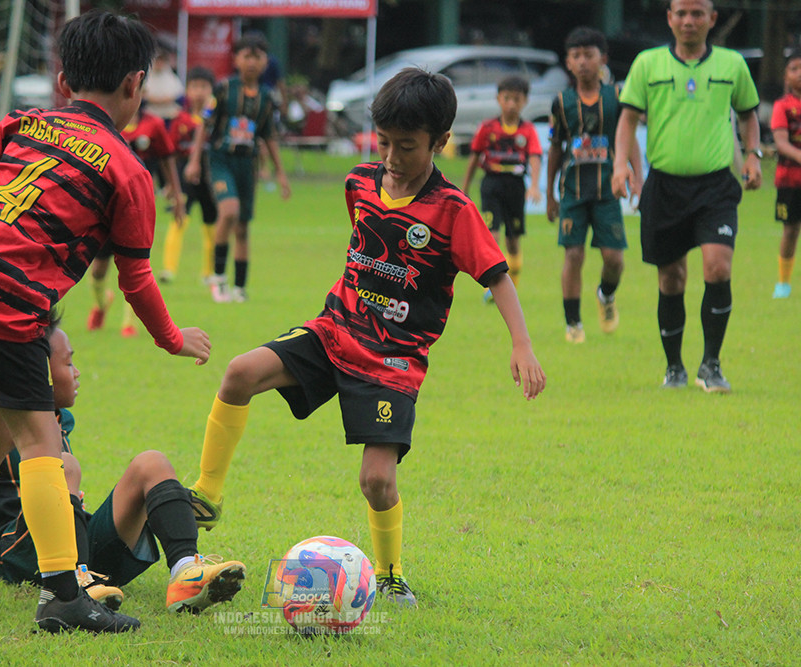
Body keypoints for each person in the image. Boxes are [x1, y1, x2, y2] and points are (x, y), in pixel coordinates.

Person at [0, 10, 211, 634]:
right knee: (40, 442)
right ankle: (65, 597)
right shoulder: (127, 168)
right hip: (6, 301)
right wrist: (172, 339)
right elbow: (136, 277)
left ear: (64, 81)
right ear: (134, 84)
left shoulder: (23, 124)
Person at [185, 67, 546, 608]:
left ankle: (391, 574)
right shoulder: (358, 182)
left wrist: (522, 344)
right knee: (239, 372)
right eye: (384, 143)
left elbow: (497, 275)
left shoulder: (453, 212)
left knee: (376, 480)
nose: (393, 157)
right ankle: (207, 496)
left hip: (393, 360)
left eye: (407, 146)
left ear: (440, 142)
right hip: (335, 329)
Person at [0, 314, 245, 614]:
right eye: (67, 364)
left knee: (151, 463)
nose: (77, 372)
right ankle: (74, 580)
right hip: (21, 552)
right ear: (37, 374)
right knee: (63, 465)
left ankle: (185, 572)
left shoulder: (60, 420)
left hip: (71, 536)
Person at [612, 0, 762, 392]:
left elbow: (748, 115)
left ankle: (711, 365)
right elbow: (627, 118)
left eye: (698, 13)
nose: (689, 21)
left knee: (718, 267)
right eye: (681, 13)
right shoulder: (647, 64)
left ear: (712, 19)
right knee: (672, 278)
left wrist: (753, 157)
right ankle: (674, 367)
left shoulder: (732, 65)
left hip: (715, 186)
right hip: (665, 186)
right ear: (669, 19)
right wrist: (620, 165)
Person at [547, 27, 642, 344]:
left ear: (603, 59)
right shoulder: (561, 102)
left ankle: (606, 295)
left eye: (589, 55)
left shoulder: (616, 97)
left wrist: (637, 176)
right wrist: (549, 194)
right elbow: (555, 149)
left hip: (607, 191)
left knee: (615, 260)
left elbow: (630, 141)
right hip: (573, 192)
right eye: (576, 56)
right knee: (573, 255)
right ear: (568, 63)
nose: (583, 61)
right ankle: (573, 322)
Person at [184, 32, 291, 303]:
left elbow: (269, 136)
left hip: (248, 165)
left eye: (258, 57)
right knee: (228, 211)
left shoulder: (267, 97)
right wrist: (195, 160)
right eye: (246, 56)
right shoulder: (223, 89)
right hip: (221, 160)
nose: (252, 62)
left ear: (266, 62)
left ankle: (240, 287)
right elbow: (204, 125)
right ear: (236, 60)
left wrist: (280, 173)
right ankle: (218, 279)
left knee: (242, 227)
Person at [86, 105, 185, 337]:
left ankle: (129, 322)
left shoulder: (153, 125)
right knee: (98, 269)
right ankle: (101, 304)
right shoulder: (104, 123)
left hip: (138, 205)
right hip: (106, 204)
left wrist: (177, 194)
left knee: (133, 265)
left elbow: (167, 157)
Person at [462, 76, 543, 303]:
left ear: (525, 101)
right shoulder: (487, 128)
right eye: (507, 98)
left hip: (515, 186)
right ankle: (493, 285)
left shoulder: (527, 130)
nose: (511, 104)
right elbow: (474, 157)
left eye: (516, 99)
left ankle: (511, 285)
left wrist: (535, 185)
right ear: (498, 98)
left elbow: (535, 157)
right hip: (491, 185)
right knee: (492, 236)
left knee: (513, 241)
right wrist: (465, 187)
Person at [160, 66, 219, 283]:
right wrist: (169, 183)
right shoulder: (180, 120)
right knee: (179, 219)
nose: (199, 92)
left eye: (204, 87)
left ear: (211, 90)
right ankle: (168, 270)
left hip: (210, 176)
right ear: (187, 90)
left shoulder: (215, 119)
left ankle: (209, 272)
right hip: (184, 176)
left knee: (210, 223)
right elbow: (171, 153)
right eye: (194, 87)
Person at [771, 49, 801, 299]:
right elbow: (781, 142)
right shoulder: (783, 106)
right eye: (794, 68)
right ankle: (783, 284)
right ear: (786, 75)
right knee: (790, 231)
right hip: (790, 181)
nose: (799, 74)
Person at [142, 39, 183, 125]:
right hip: (149, 117)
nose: (160, 63)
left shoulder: (172, 77)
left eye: (162, 60)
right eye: (158, 60)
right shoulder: (145, 76)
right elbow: (142, 94)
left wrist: (167, 99)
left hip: (169, 118)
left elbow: (178, 95)